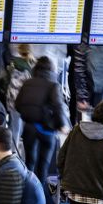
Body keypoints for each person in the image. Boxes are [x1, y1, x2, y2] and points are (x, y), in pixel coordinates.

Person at [15, 56, 67, 184]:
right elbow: (58, 106)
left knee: (29, 161)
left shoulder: (27, 83)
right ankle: (41, 196)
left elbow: (17, 104)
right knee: (43, 164)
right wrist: (62, 124)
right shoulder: (53, 85)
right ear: (51, 70)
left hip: (29, 127)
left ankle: (27, 191)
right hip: (47, 130)